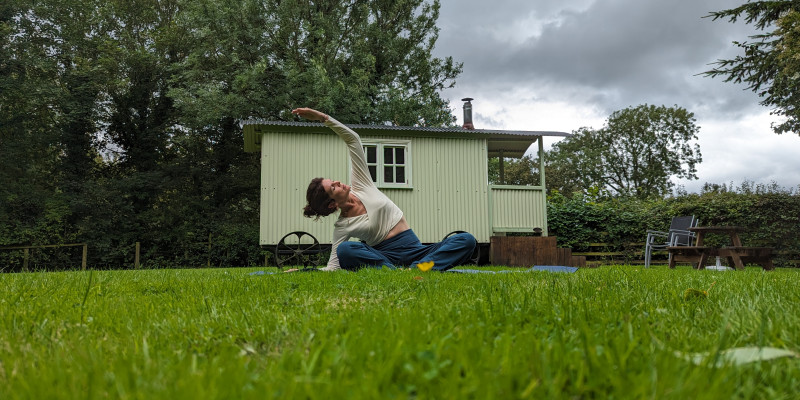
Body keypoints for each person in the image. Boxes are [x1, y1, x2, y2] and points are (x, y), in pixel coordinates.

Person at [292, 107, 477, 272]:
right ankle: (403, 271)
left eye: (333, 180)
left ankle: (417, 269)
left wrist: (323, 118)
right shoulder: (342, 226)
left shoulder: (361, 184)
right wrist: (303, 271)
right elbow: (333, 266)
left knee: (466, 240)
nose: (339, 182)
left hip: (417, 250)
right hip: (384, 258)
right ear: (332, 204)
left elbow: (353, 140)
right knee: (345, 250)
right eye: (333, 187)